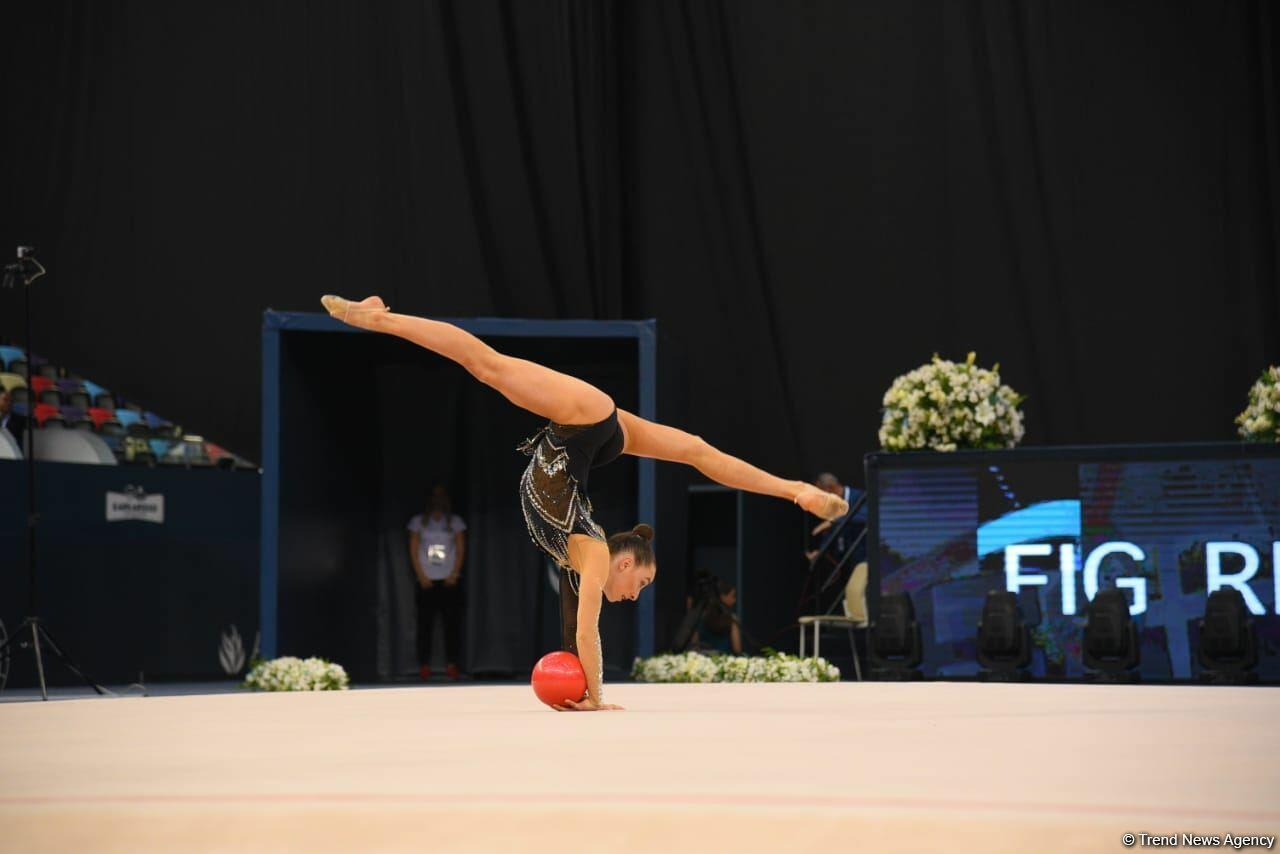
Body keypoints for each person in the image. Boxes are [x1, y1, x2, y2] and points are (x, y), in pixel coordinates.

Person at [321, 294, 848, 711]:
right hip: (584, 418)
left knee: (694, 449)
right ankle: (378, 318)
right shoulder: (593, 555)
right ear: (623, 562)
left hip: (590, 436)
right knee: (487, 366)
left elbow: (574, 630)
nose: (636, 595)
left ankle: (796, 490)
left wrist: (578, 692)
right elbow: (586, 632)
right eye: (641, 583)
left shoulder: (579, 559)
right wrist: (596, 697)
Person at [407, 484, 467, 681]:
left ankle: (452, 665)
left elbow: (460, 548)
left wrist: (454, 574)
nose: (438, 500)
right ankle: (424, 665)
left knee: (451, 625)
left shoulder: (455, 522)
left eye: (441, 496)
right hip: (426, 580)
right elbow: (413, 549)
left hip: (448, 580)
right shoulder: (418, 522)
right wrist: (421, 575)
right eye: (435, 496)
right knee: (424, 625)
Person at [804, 472, 857, 562]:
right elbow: (831, 533)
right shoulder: (833, 506)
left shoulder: (858, 496)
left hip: (863, 558)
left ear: (830, 488)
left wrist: (832, 522)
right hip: (845, 561)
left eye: (822, 494)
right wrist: (820, 552)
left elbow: (864, 518)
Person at [690, 577, 743, 655]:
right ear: (723, 596)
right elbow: (737, 649)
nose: (734, 600)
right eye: (732, 596)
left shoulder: (701, 616)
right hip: (725, 660)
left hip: (704, 660)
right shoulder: (732, 619)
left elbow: (693, 645)